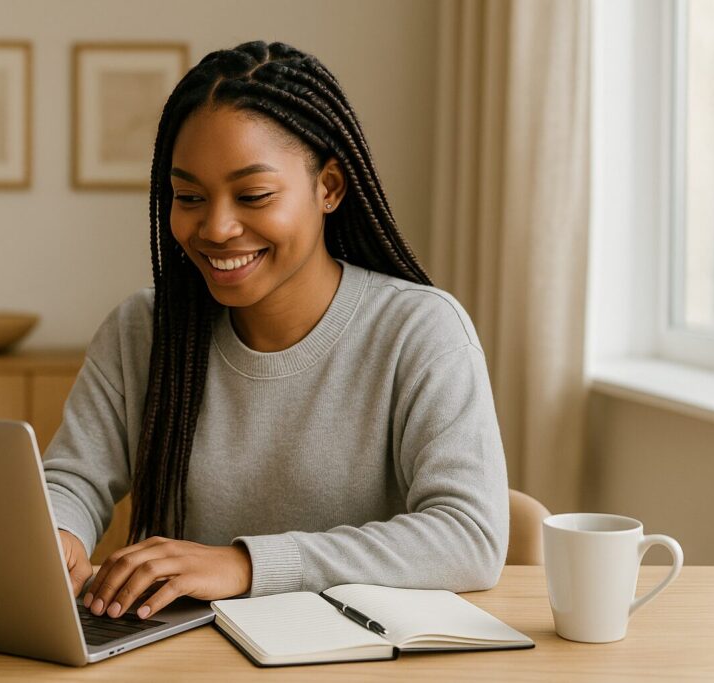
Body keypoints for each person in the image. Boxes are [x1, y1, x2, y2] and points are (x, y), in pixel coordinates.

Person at [43, 40, 508, 622]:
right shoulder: (143, 331)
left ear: (329, 188)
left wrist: (245, 565)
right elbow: (71, 479)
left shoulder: (419, 331)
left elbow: (468, 538)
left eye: (253, 195)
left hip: (361, 661)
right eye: (188, 196)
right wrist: (58, 532)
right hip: (188, 661)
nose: (216, 226)